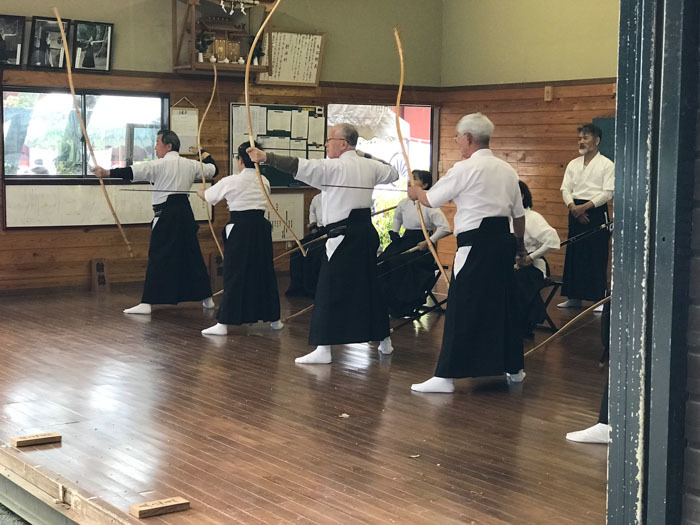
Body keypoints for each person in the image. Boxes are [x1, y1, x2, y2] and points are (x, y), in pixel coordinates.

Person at [247, 123, 399, 364]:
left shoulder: (333, 167)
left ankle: (323, 349)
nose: (326, 143)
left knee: (328, 290)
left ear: (344, 144)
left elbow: (297, 165)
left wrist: (266, 157)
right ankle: (385, 341)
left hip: (343, 237)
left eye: (331, 139)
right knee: (370, 286)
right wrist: (365, 155)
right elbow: (393, 172)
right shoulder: (369, 166)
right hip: (365, 234)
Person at [407, 113, 527, 393]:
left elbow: (431, 198)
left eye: (458, 137)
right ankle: (514, 369)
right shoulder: (507, 169)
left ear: (469, 138)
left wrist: (415, 192)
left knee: (462, 306)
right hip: (503, 243)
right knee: (502, 306)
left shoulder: (464, 168)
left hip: (477, 245)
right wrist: (520, 246)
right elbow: (518, 215)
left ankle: (446, 376)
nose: (457, 142)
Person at [92, 130, 216, 314]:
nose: (155, 147)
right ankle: (207, 299)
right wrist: (203, 152)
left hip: (166, 215)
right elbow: (213, 169)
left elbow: (132, 171)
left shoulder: (158, 165)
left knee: (159, 256)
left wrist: (107, 172)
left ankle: (147, 303)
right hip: (185, 214)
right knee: (192, 255)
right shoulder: (191, 165)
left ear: (169, 146)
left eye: (158, 143)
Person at [197, 142, 283, 335]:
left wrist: (200, 192)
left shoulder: (232, 180)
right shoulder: (265, 180)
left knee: (234, 273)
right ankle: (275, 319)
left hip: (240, 229)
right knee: (264, 272)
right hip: (261, 229)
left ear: (240, 160)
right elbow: (254, 201)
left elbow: (209, 197)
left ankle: (224, 323)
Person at [378, 169, 451, 318]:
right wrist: (394, 232)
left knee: (402, 264)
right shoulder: (404, 203)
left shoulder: (429, 205)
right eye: (409, 179)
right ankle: (385, 302)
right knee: (383, 261)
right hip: (404, 241)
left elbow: (445, 228)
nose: (410, 182)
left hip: (421, 246)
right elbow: (397, 218)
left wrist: (429, 241)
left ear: (424, 185)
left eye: (415, 179)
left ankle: (403, 305)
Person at [558, 123, 614, 309]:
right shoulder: (573, 164)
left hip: (596, 211)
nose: (581, 142)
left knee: (596, 254)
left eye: (585, 138)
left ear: (596, 141)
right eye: (580, 138)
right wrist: (574, 207)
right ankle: (574, 296)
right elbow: (565, 189)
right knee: (575, 254)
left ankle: (597, 298)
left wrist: (585, 207)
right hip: (575, 209)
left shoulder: (607, 164)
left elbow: (608, 192)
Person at [514, 181, 560, 336]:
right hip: (510, 265)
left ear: (521, 195)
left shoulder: (532, 217)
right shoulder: (503, 217)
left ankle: (524, 324)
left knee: (517, 280)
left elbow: (553, 241)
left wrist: (531, 257)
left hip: (533, 266)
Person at [286, 192, 325, 298]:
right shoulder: (317, 198)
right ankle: (298, 287)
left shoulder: (336, 196)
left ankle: (313, 287)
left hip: (331, 232)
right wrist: (313, 226)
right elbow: (312, 212)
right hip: (318, 232)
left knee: (315, 252)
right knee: (297, 250)